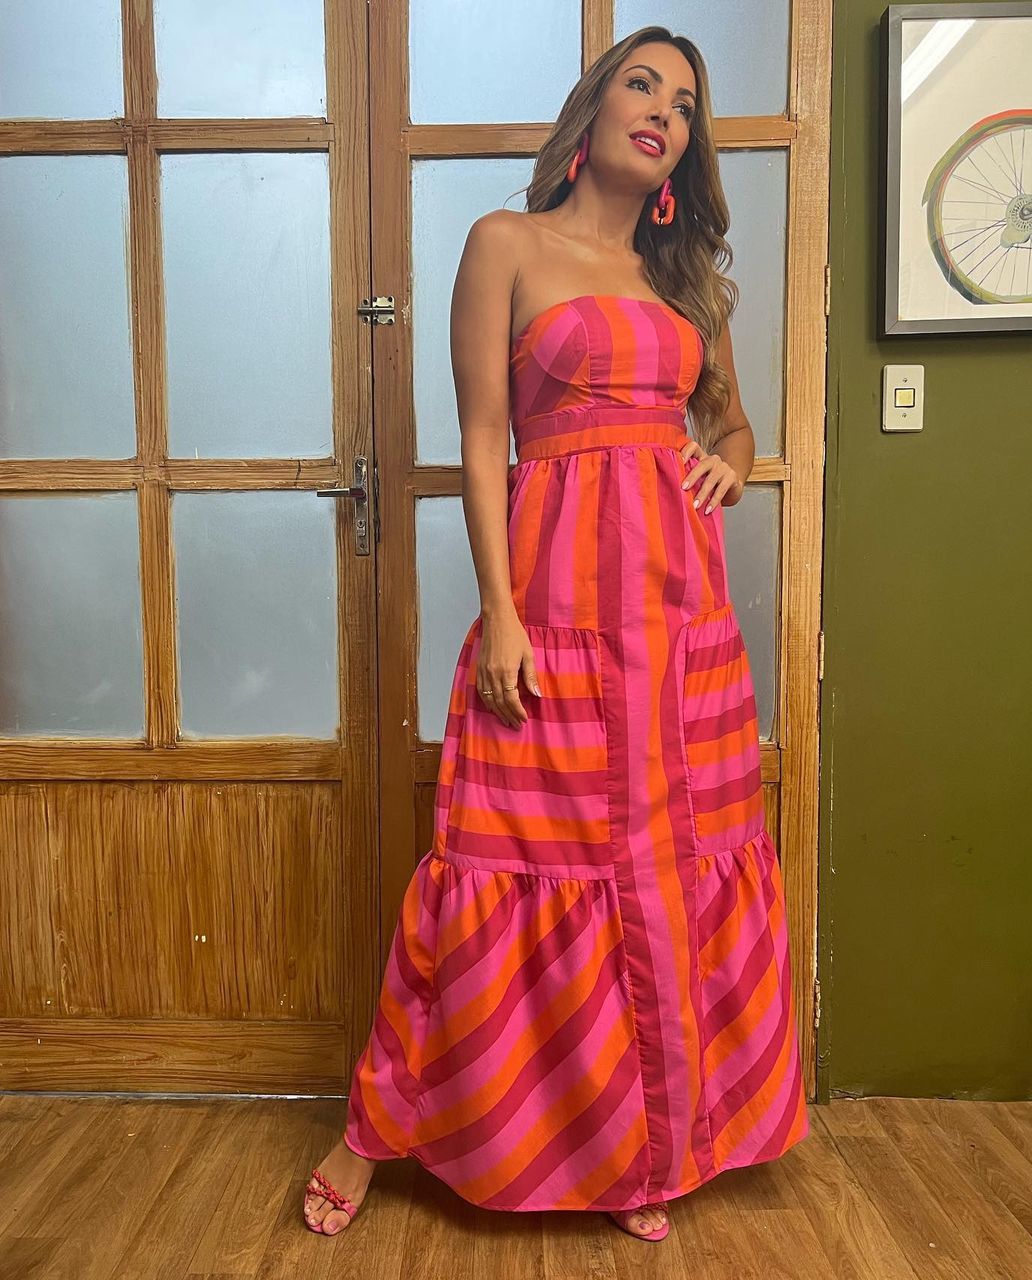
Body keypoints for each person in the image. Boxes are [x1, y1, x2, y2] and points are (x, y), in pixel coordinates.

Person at [303, 24, 809, 1244]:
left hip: (681, 623)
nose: (664, 111)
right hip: (556, 612)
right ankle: (371, 1130)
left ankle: (650, 1150)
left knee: (672, 870)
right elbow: (485, 436)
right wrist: (504, 616)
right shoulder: (507, 244)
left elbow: (734, 430)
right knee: (501, 860)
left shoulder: (685, 284)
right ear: (593, 112)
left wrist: (731, 465)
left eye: (684, 103)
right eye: (643, 84)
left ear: (686, 149)